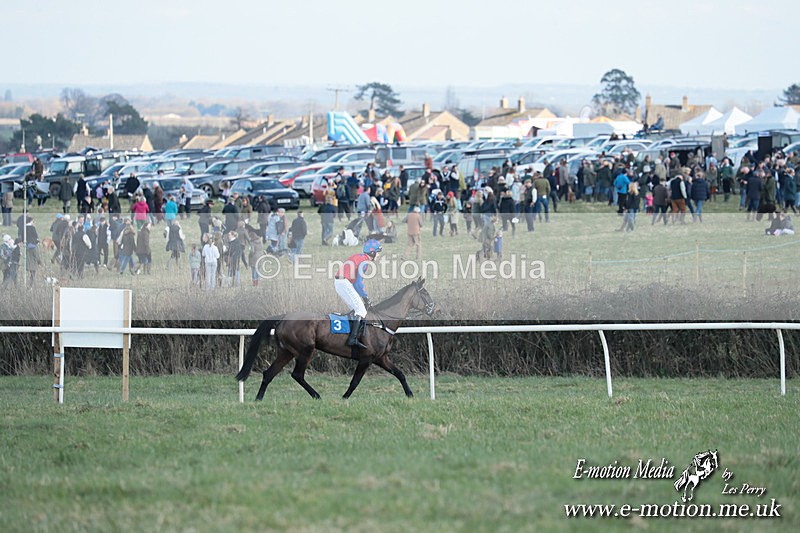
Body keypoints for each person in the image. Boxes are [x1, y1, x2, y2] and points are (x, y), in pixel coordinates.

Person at [334, 239, 382, 348]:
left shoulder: (360, 257)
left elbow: (356, 283)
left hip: (342, 282)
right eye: (378, 252)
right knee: (361, 310)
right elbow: (358, 283)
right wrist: (366, 298)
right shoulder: (365, 262)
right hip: (343, 283)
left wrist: (363, 297)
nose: (378, 255)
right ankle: (352, 339)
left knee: (357, 310)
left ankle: (349, 334)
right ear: (372, 253)